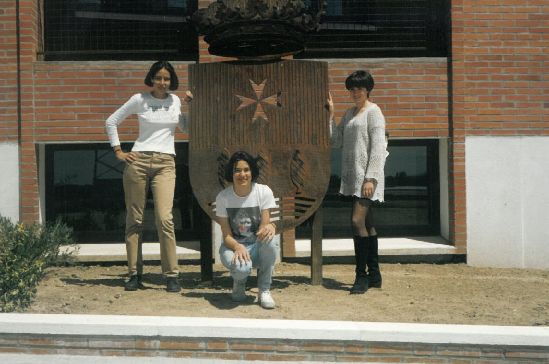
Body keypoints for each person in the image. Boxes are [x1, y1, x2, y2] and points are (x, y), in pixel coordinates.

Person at [105, 61, 193, 293]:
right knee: (135, 219)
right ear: (151, 79)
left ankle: (172, 275)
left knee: (165, 218)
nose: (162, 83)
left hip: (165, 163)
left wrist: (191, 107)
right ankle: (134, 273)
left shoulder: (175, 101)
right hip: (139, 161)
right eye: (158, 78)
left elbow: (186, 129)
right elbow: (111, 121)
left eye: (166, 79)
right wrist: (119, 152)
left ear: (171, 80)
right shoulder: (139, 99)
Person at [327, 70, 388, 294]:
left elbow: (379, 149)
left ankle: (360, 276)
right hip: (354, 178)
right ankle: (375, 275)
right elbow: (335, 141)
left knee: (356, 221)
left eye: (359, 88)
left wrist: (371, 178)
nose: (355, 92)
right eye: (352, 88)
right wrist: (331, 115)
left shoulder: (374, 112)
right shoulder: (350, 113)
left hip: (368, 179)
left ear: (368, 89)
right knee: (368, 224)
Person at [215, 151, 280, 309]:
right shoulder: (223, 197)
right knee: (241, 268)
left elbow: (264, 227)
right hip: (234, 247)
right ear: (231, 173)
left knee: (270, 242)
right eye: (237, 170)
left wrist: (271, 226)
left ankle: (264, 290)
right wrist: (238, 246)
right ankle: (239, 284)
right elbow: (226, 235)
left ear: (252, 172)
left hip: (257, 247)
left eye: (246, 170)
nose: (242, 174)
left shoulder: (263, 191)